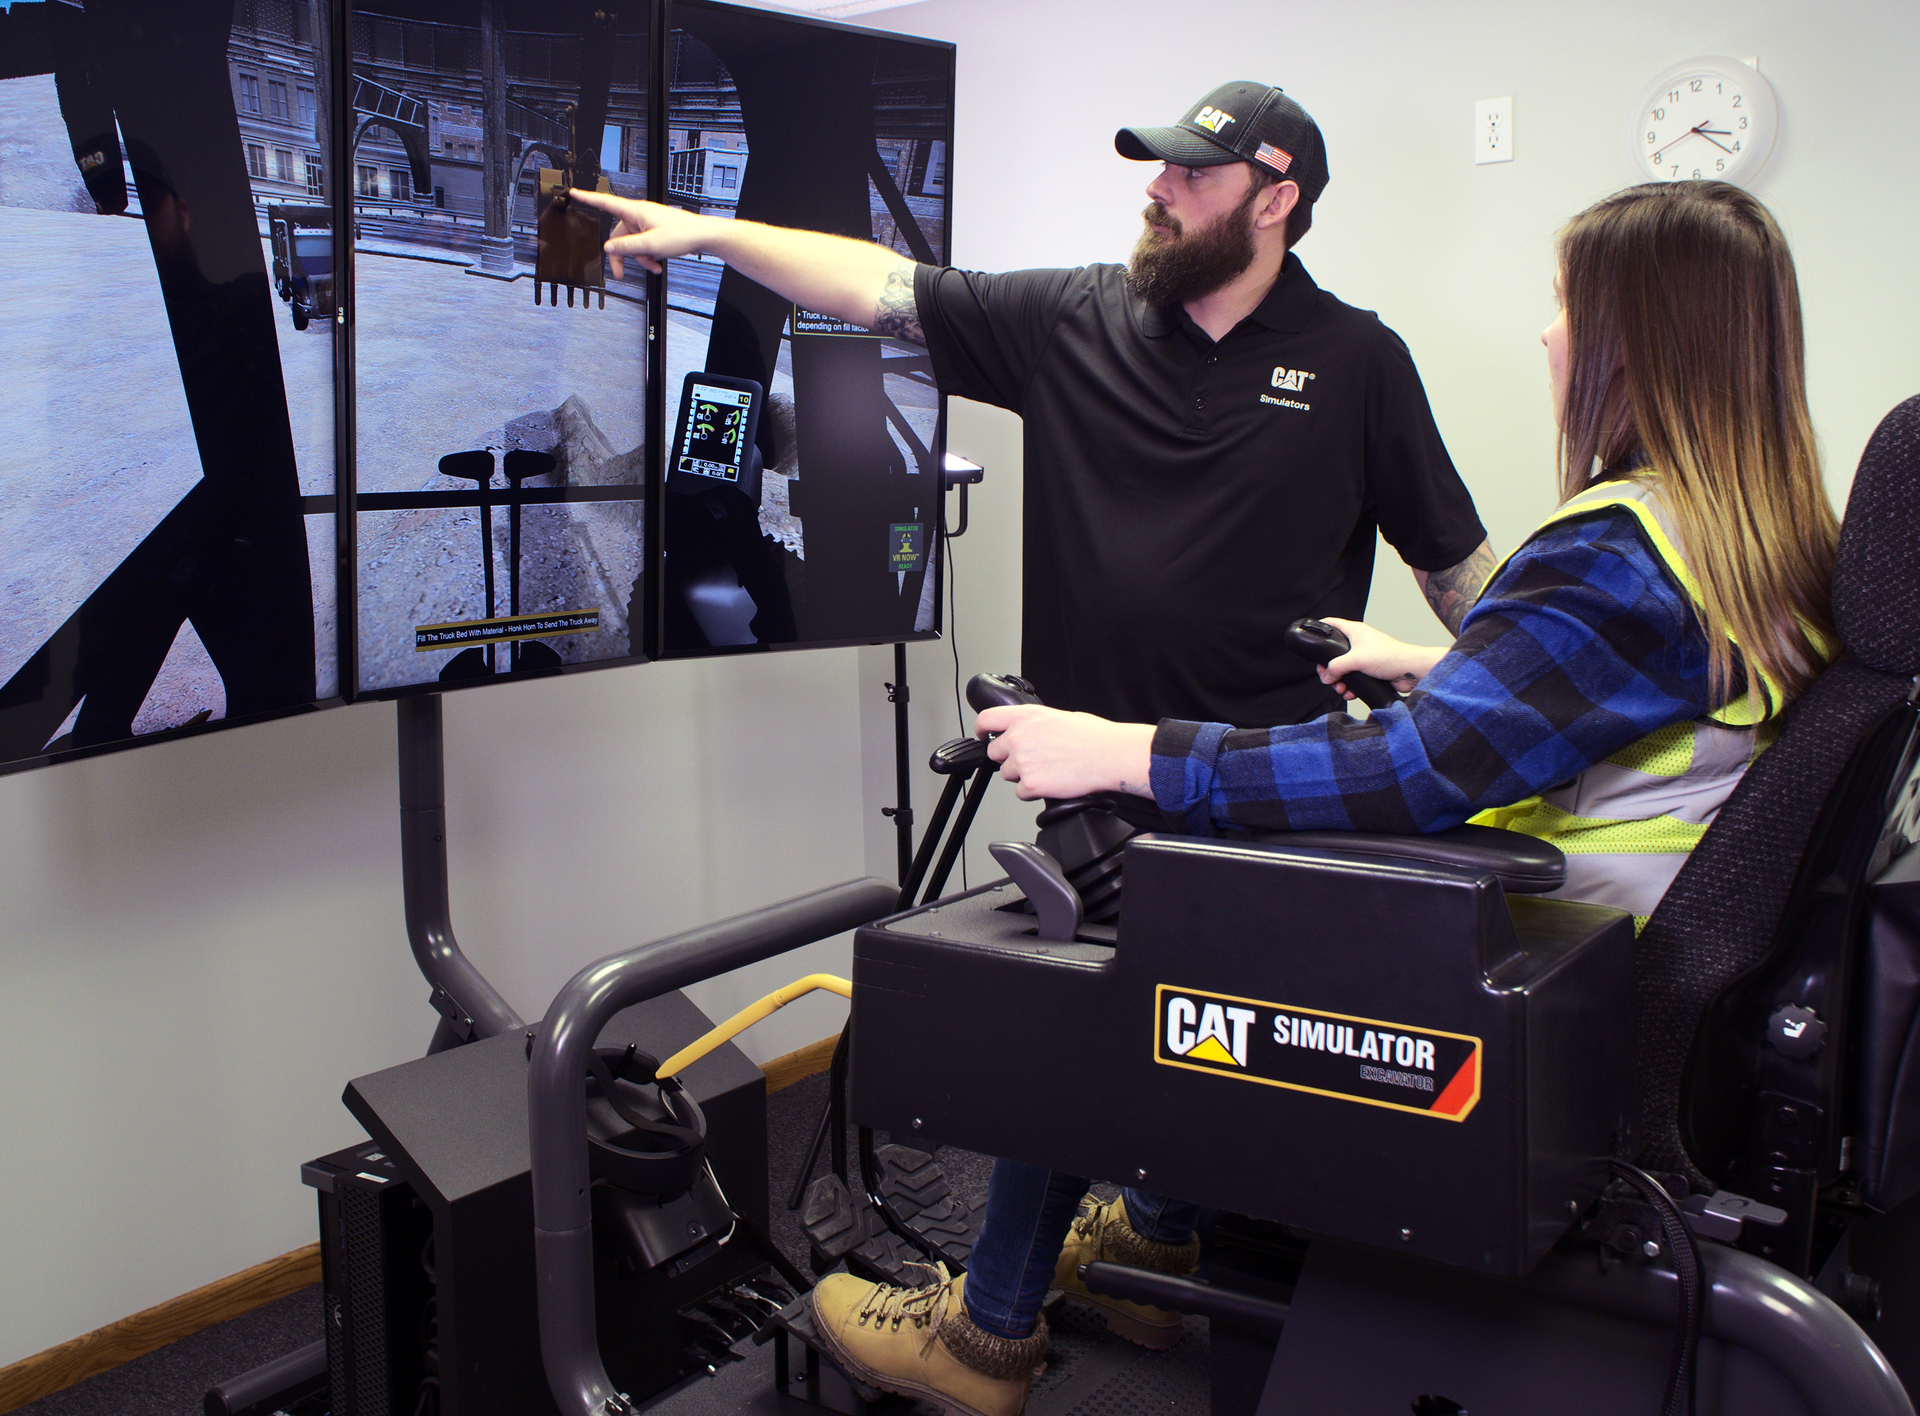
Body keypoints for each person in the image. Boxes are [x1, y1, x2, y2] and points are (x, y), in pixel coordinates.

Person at [804, 179, 1842, 1416]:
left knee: (1113, 932)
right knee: (1199, 900)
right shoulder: (1753, 532)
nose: (1548, 333)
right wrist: (1442, 667)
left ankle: (985, 1336)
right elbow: (1627, 696)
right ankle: (1152, 1247)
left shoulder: (1617, 547)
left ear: (1637, 341)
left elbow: (1405, 774)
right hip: (1617, 955)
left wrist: (1125, 752)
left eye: (1566, 306)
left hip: (1523, 963)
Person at [571, 80, 1493, 729]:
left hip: (1276, 781)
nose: (1157, 189)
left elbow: (1451, 561)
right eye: (1160, 168)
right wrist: (710, 234)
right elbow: (877, 285)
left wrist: (1519, 691)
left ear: (1274, 202)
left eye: (1194, 176)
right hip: (1084, 778)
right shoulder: (1071, 318)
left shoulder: (1358, 362)